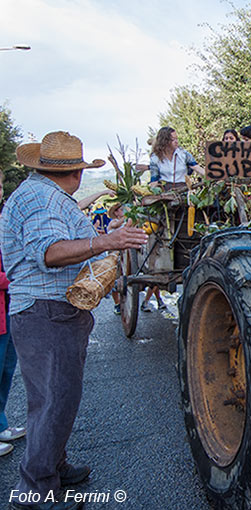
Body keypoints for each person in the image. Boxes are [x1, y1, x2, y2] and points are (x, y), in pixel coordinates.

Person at [1, 131, 148, 510]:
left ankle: (52, 464)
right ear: (76, 173)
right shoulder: (41, 199)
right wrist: (104, 243)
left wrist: (105, 235)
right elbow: (50, 253)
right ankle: (35, 492)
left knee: (60, 398)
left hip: (48, 310)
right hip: (45, 311)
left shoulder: (42, 195)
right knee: (52, 400)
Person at [0, 169, 25, 458]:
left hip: (7, 307)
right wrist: (14, 279)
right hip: (6, 295)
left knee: (5, 369)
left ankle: (1, 423)